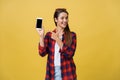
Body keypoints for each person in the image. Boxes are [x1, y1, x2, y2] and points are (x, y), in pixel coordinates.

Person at [36, 8, 77, 80]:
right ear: (56, 19)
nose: (65, 20)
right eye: (62, 18)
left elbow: (70, 53)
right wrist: (41, 36)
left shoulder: (72, 35)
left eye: (66, 18)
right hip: (52, 72)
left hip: (67, 72)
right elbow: (42, 53)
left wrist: (57, 39)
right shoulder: (49, 35)